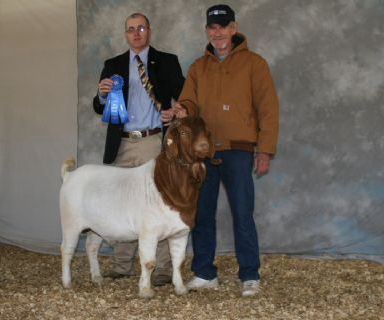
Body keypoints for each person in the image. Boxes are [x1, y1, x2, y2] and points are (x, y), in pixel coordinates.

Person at [174, 4, 279, 297]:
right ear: (207, 30)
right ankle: (205, 273)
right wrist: (183, 110)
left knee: (242, 214)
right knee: (201, 214)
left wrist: (264, 149)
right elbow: (189, 103)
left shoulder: (255, 64)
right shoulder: (198, 67)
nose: (217, 32)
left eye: (223, 26)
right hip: (204, 153)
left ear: (233, 28)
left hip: (240, 151)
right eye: (212, 27)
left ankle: (249, 275)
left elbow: (268, 110)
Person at [93, 13, 185, 286]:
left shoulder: (167, 61)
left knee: (156, 205)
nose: (136, 33)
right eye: (130, 29)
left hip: (153, 141)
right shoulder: (113, 64)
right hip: (121, 142)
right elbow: (100, 107)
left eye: (140, 28)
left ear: (149, 31)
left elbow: (186, 97)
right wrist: (101, 94)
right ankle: (122, 265)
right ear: (125, 34)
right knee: (123, 203)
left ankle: (163, 269)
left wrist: (178, 111)